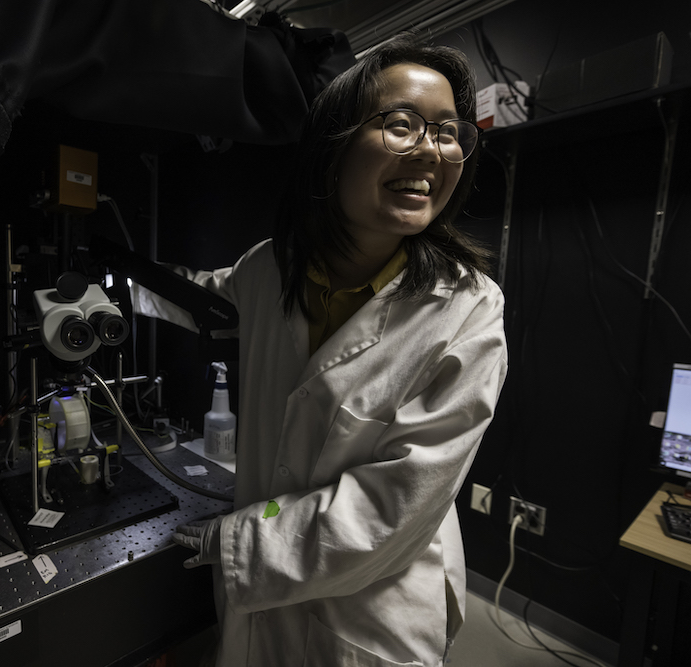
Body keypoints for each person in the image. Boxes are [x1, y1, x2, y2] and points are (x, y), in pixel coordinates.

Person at [133, 32, 508, 667]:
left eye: (449, 133)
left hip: (370, 614)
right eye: (402, 125)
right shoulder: (271, 270)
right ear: (333, 149)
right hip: (260, 611)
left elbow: (396, 502)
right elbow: (207, 299)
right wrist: (108, 286)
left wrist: (242, 544)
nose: (432, 151)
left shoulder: (467, 308)